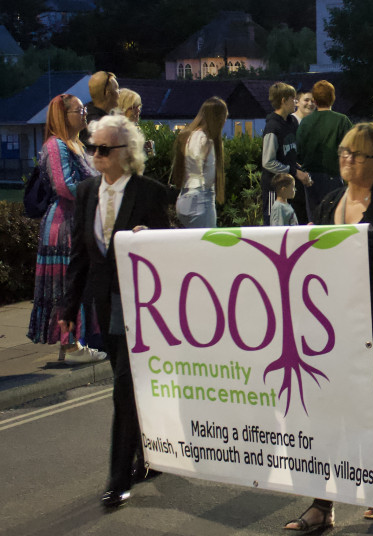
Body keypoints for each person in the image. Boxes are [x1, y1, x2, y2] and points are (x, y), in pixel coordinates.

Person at [283, 123, 373, 530]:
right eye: (345, 151)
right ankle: (322, 504)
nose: (348, 159)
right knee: (327, 411)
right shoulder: (329, 199)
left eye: (358, 154)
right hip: (332, 326)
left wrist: (371, 247)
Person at [59, 115, 170, 509]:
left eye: (104, 149)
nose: (96, 155)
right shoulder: (87, 191)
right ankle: (148, 455)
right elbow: (80, 255)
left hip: (141, 305)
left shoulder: (151, 193)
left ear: (127, 153)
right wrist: (68, 307)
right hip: (103, 303)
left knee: (123, 390)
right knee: (129, 387)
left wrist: (152, 240)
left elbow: (169, 253)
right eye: (93, 148)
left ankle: (117, 477)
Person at [26, 94, 105, 364]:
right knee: (66, 287)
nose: (84, 113)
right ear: (63, 115)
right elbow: (64, 186)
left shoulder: (76, 145)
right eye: (78, 110)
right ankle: (70, 346)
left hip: (76, 223)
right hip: (63, 227)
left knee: (74, 286)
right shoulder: (55, 146)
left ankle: (71, 344)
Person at [296, 80, 352, 219]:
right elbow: (351, 147)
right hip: (334, 176)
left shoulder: (306, 122)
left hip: (310, 178)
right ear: (333, 98)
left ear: (314, 100)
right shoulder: (342, 121)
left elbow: (299, 152)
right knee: (335, 217)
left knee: (315, 220)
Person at [173, 96, 227, 229]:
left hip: (185, 197)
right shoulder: (204, 139)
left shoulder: (189, 135)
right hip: (201, 199)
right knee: (207, 245)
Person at [261, 82, 311, 225]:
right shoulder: (272, 127)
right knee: (274, 226)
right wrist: (294, 171)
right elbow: (268, 162)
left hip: (288, 186)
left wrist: (301, 172)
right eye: (292, 99)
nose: (295, 103)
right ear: (283, 100)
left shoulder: (291, 122)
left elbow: (290, 155)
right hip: (274, 187)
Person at [81, 71, 119, 144]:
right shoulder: (96, 124)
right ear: (107, 94)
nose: (119, 92)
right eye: (117, 88)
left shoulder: (87, 116)